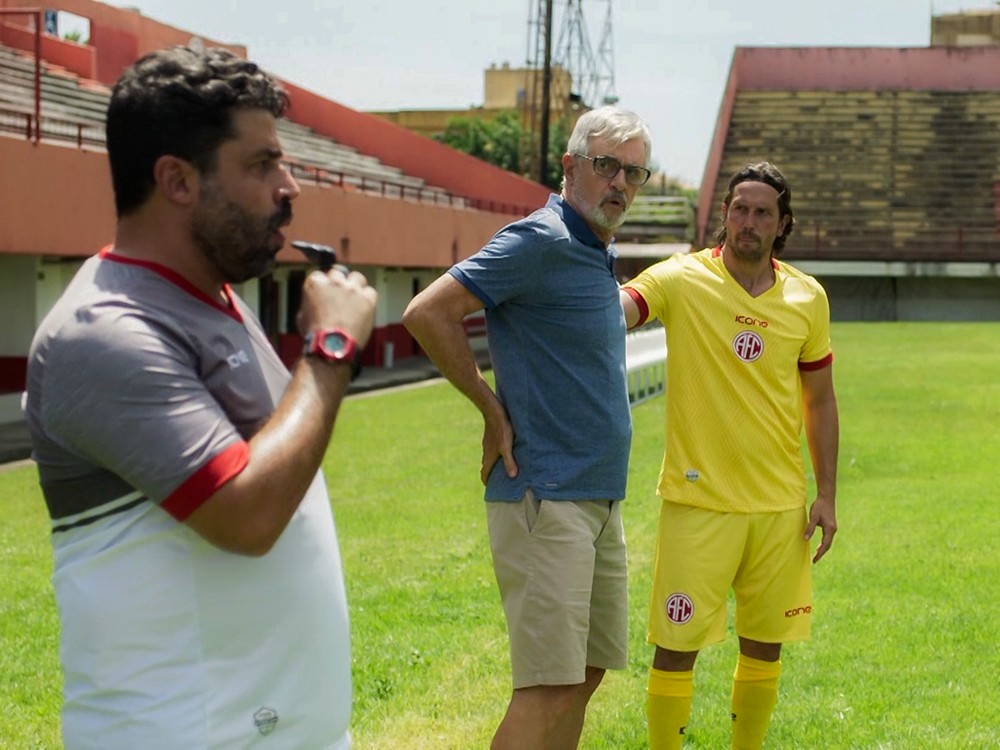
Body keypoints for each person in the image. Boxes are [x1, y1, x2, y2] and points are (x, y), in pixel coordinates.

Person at [24, 47, 377, 749]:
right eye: (261, 164)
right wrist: (330, 350)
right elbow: (244, 518)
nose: (291, 187)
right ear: (177, 181)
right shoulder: (105, 332)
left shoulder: (214, 298)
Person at [403, 106, 651, 749]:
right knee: (548, 686)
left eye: (634, 172)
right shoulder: (539, 240)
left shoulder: (596, 248)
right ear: (571, 167)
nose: (620, 183)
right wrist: (491, 408)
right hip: (547, 494)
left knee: (585, 673)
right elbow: (429, 313)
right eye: (606, 167)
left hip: (598, 497)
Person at [619, 161, 839, 749]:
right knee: (675, 647)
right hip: (699, 502)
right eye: (739, 208)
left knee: (766, 645)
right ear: (724, 215)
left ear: (782, 223)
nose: (747, 220)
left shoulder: (806, 297)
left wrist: (826, 495)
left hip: (779, 507)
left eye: (762, 211)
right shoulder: (682, 278)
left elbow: (820, 401)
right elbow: (623, 308)